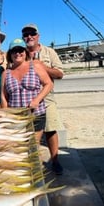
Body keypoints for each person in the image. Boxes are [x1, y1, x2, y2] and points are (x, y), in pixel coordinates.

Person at [21, 23, 64, 174]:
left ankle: (55, 160)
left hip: (47, 98)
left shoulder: (49, 52)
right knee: (32, 133)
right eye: (26, 34)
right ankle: (34, 163)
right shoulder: (20, 53)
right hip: (28, 99)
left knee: (50, 129)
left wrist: (41, 66)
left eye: (32, 33)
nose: (29, 36)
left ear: (38, 35)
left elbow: (59, 74)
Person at [0, 38, 53, 144]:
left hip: (36, 114)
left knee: (33, 145)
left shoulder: (35, 66)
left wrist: (37, 100)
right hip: (16, 117)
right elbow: (3, 95)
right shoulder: (6, 73)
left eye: (21, 50)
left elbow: (48, 84)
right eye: (14, 51)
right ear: (10, 54)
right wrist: (7, 114)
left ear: (26, 52)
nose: (18, 53)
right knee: (19, 145)